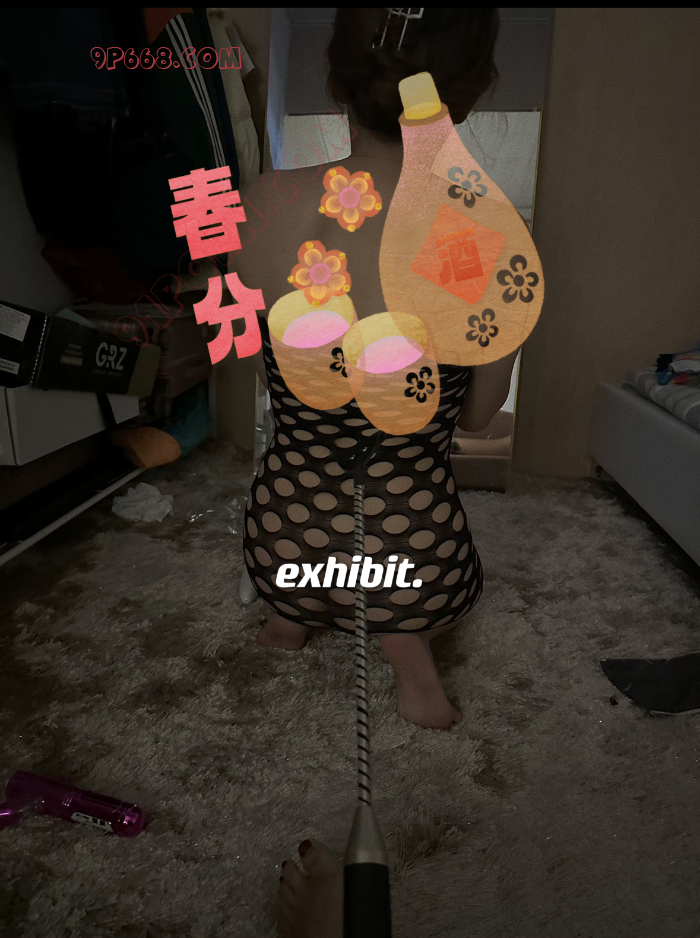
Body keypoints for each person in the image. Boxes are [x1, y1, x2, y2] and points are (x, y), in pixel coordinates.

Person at [231, 8, 514, 937]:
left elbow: (263, 369)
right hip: (415, 557)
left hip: (284, 534)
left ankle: (290, 616)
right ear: (469, 93)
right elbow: (477, 422)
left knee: (307, 503)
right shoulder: (482, 236)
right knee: (395, 514)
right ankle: (413, 670)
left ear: (335, 81)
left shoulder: (264, 200)